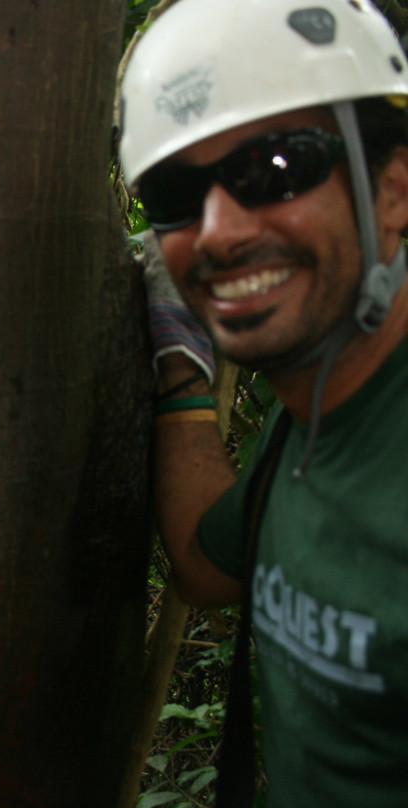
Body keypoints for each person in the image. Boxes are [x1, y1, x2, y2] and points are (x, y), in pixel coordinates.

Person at [120, 1, 408, 805]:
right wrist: (182, 371)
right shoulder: (316, 413)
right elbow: (207, 566)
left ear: (394, 190)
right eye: (176, 191)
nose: (215, 231)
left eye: (274, 169)